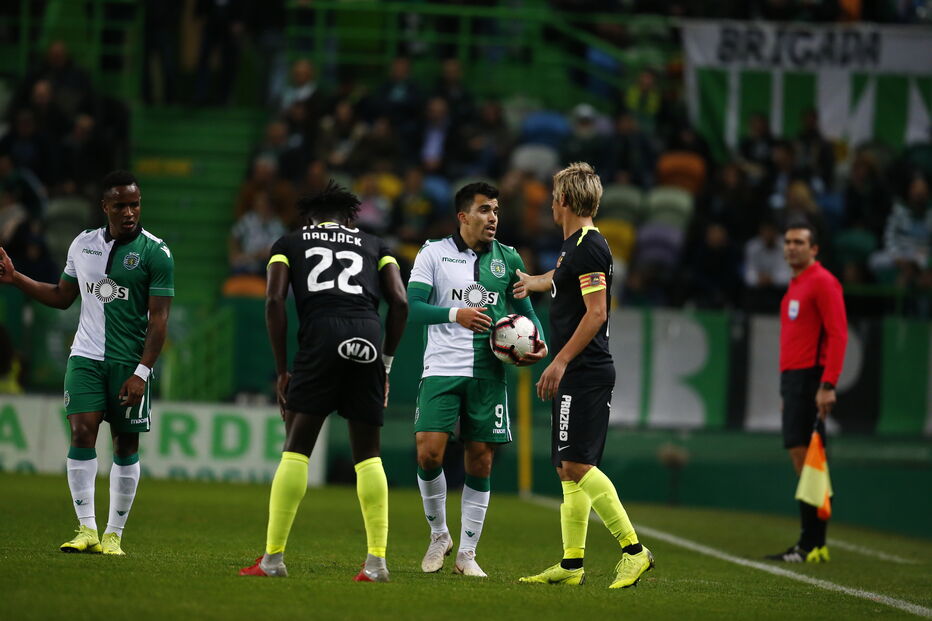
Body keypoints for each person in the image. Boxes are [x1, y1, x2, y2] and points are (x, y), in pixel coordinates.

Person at [239, 181, 408, 582]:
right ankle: (377, 563)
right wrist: (386, 364)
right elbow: (400, 302)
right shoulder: (377, 244)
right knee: (368, 455)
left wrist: (283, 369)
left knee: (297, 447)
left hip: (321, 335)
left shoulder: (288, 242)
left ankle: (273, 560)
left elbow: (274, 300)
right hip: (367, 333)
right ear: (350, 217)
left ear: (309, 218)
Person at [0, 170, 174, 555]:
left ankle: (114, 534)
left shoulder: (156, 253)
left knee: (125, 446)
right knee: (81, 434)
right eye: (121, 205)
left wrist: (142, 373)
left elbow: (159, 319)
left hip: (129, 363)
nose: (129, 212)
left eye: (135, 204)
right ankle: (86, 530)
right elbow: (63, 296)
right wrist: (16, 279)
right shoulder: (83, 245)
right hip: (86, 357)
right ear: (105, 206)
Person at [513, 162, 654, 588]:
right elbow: (562, 280)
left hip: (585, 370)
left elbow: (596, 312)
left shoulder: (590, 246)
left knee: (577, 463)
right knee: (566, 468)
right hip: (579, 370)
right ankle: (572, 565)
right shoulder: (573, 248)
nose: (551, 203)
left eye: (555, 196)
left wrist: (560, 361)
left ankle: (634, 551)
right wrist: (530, 282)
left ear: (567, 202)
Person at [406, 182, 547, 577]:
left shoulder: (509, 258)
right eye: (485, 210)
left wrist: (539, 343)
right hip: (441, 368)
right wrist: (455, 314)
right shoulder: (432, 253)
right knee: (428, 452)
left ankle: (467, 554)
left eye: (497, 211)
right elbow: (412, 307)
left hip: (488, 372)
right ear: (463, 216)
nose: (493, 218)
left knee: (481, 460)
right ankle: (439, 535)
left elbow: (527, 311)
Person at [765, 221, 847, 563]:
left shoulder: (823, 283)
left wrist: (827, 385)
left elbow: (838, 335)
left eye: (799, 242)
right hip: (795, 382)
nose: (791, 247)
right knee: (803, 460)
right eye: (787, 242)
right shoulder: (795, 286)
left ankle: (810, 543)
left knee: (810, 461)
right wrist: (788, 393)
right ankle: (812, 542)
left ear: (814, 249)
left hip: (811, 379)